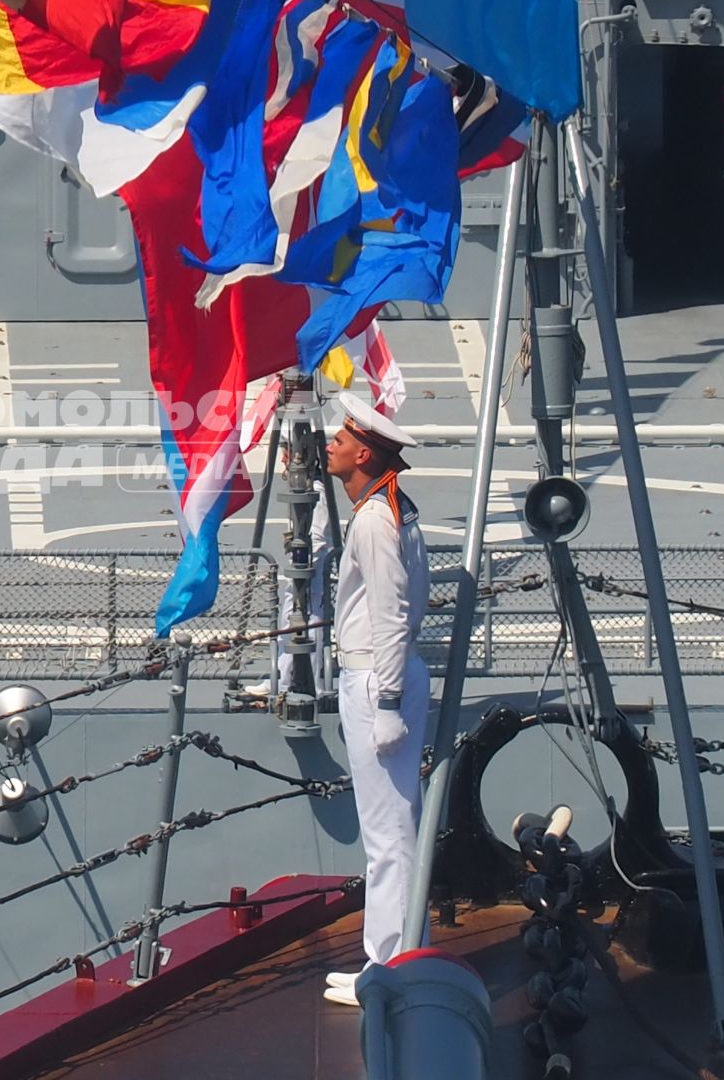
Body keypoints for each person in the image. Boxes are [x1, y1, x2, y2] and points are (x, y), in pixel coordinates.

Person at [319, 392, 431, 1007]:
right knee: (390, 828)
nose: (330, 447)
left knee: (389, 833)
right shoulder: (396, 507)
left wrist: (386, 701)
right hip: (381, 677)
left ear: (363, 453)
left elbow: (390, 615)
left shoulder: (373, 520)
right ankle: (390, 957)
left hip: (375, 681)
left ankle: (394, 969)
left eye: (340, 441)